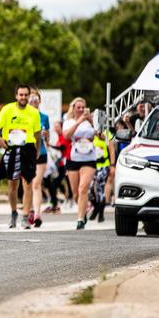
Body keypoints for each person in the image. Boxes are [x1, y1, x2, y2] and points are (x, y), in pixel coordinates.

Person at [0, 84, 41, 229]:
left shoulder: (34, 112)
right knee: (12, 184)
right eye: (21, 95)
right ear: (16, 96)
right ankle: (13, 213)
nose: (23, 97)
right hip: (12, 148)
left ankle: (25, 216)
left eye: (26, 95)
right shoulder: (7, 109)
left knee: (28, 183)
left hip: (28, 149)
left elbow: (38, 135)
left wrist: (36, 151)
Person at [62, 97, 96, 230]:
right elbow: (66, 136)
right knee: (76, 193)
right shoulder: (68, 121)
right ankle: (84, 209)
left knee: (83, 188)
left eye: (83, 107)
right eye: (78, 107)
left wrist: (93, 122)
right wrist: (78, 122)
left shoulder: (91, 122)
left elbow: (103, 136)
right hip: (73, 159)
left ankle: (80, 219)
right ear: (74, 109)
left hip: (89, 158)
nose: (81, 110)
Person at [27, 89, 50, 227]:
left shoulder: (44, 117)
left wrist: (46, 136)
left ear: (39, 101)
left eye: (35, 98)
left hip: (41, 153)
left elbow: (48, 140)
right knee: (28, 184)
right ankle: (28, 210)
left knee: (36, 184)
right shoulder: (24, 116)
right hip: (27, 152)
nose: (33, 101)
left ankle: (37, 214)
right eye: (31, 98)